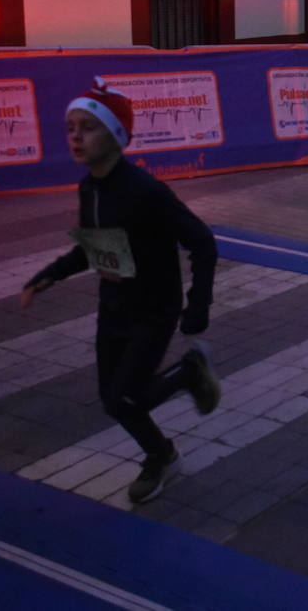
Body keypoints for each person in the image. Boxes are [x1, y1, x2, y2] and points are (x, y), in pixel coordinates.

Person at [21, 78, 222, 504]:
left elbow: (202, 241)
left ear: (116, 135)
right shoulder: (88, 188)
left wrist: (198, 303)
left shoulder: (146, 191)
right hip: (114, 308)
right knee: (113, 401)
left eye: (88, 127)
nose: (76, 136)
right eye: (70, 128)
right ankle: (163, 453)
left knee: (127, 396)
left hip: (154, 309)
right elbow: (93, 246)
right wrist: (51, 274)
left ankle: (187, 376)